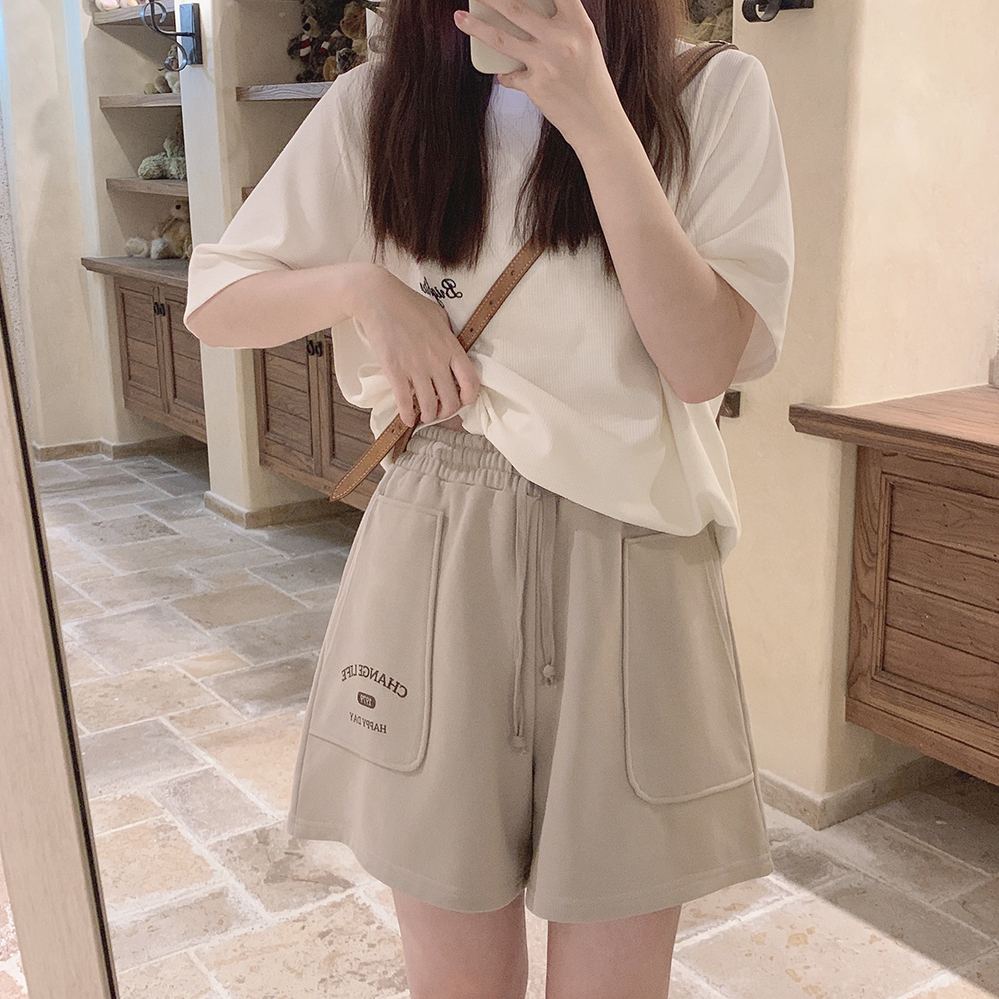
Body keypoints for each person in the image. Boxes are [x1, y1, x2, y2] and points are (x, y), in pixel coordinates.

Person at [183, 0, 794, 995]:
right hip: (438, 543)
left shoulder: (712, 94)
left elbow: (701, 364)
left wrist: (596, 118)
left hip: (633, 559)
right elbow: (215, 300)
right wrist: (364, 292)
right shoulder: (381, 104)